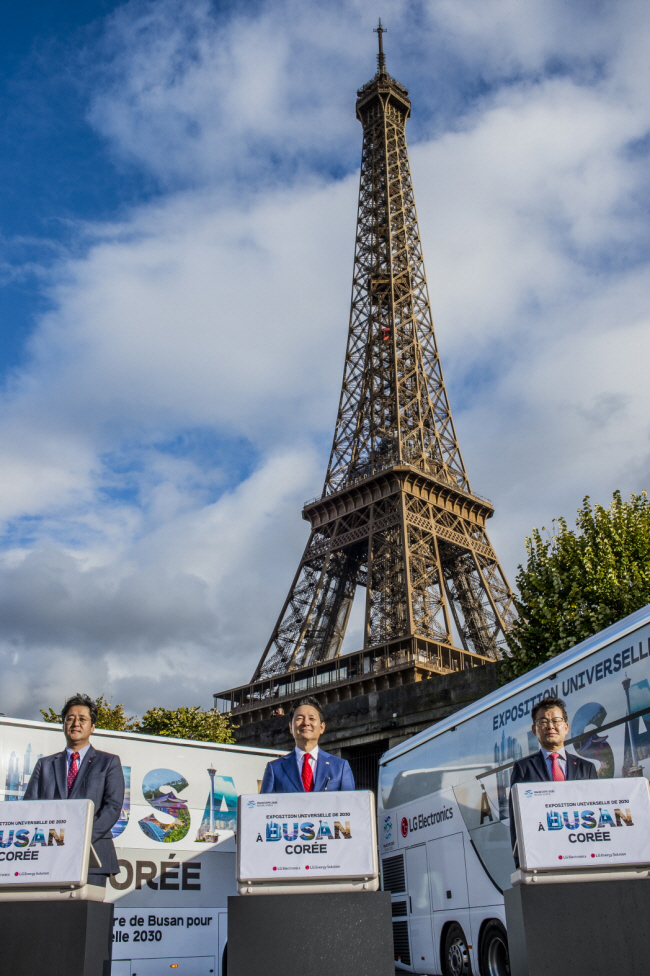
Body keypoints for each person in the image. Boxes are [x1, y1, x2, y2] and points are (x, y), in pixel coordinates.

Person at [25, 693, 125, 888]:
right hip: (49, 856)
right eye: (69, 718)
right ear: (63, 725)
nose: (75, 723)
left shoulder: (109, 763)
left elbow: (112, 807)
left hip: (92, 855)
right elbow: (30, 808)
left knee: (88, 917)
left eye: (82, 719)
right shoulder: (44, 765)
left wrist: (80, 839)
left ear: (92, 726)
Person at [509, 696, 597, 859]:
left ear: (566, 727)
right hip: (543, 854)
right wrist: (520, 861)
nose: (550, 726)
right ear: (535, 730)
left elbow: (596, 811)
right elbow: (516, 817)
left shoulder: (587, 768)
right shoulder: (523, 768)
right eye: (543, 722)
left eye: (556, 721)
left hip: (583, 852)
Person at [261, 696, 355, 793]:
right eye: (300, 718)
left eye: (311, 718)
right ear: (290, 727)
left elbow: (350, 804)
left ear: (322, 727)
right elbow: (264, 806)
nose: (306, 723)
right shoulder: (275, 769)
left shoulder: (340, 767)